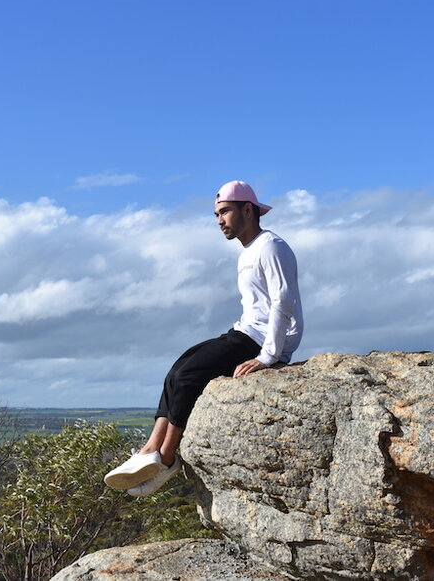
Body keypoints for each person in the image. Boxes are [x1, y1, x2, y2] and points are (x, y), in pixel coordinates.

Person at [104, 180, 304, 497]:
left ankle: (166, 460)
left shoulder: (272, 247)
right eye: (216, 214)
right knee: (178, 369)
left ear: (248, 210)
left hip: (260, 340)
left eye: (224, 212)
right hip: (245, 331)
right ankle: (149, 450)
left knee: (188, 376)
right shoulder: (249, 251)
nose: (219, 220)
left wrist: (269, 357)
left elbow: (284, 302)